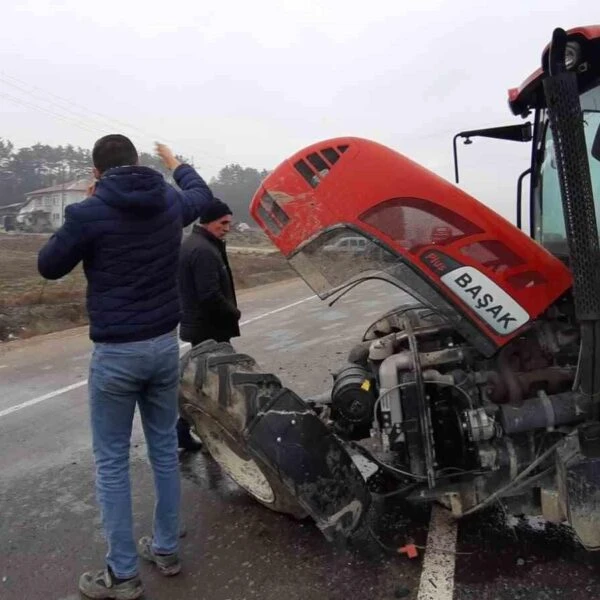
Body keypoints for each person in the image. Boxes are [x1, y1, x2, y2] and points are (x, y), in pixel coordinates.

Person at [37, 134, 213, 600]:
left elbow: (49, 265)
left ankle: (123, 575)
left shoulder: (89, 211)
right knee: (162, 452)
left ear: (96, 173)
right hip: (162, 347)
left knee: (112, 461)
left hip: (117, 354)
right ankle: (167, 550)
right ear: (137, 163)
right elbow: (202, 195)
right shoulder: (170, 201)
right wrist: (176, 161)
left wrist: (85, 211)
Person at [178, 197, 240, 341]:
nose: (227, 228)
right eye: (223, 223)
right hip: (209, 331)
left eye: (229, 223)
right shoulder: (203, 250)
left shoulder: (194, 243)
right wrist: (234, 313)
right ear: (208, 221)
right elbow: (209, 295)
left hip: (201, 328)